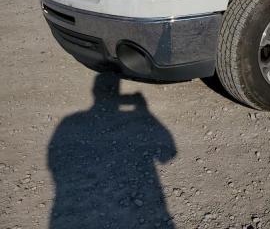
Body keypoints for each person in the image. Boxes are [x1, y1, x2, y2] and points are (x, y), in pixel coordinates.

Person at [48, 72, 177, 228]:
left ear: (94, 92)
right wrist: (144, 111)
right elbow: (168, 154)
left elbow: (56, 163)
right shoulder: (72, 121)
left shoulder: (70, 122)